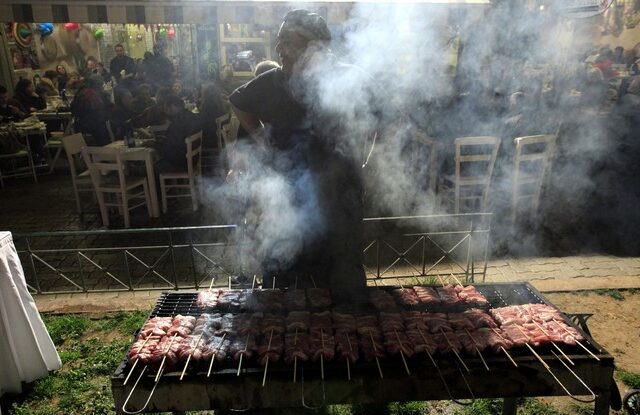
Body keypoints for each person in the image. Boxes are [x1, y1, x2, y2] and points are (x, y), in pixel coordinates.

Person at [229, 9, 374, 300]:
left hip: (338, 196)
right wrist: (262, 139)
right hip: (286, 198)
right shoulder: (272, 82)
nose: (279, 49)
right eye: (279, 40)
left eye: (288, 41)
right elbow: (238, 102)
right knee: (283, 285)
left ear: (315, 45)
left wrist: (363, 165)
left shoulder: (349, 77)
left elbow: (374, 125)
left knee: (343, 280)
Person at [153, 94, 202, 173]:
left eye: (166, 108)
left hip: (181, 163)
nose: (165, 112)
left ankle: (166, 185)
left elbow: (170, 151)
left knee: (151, 168)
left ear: (172, 106)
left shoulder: (178, 122)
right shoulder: (191, 116)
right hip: (194, 159)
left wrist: (154, 145)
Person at [70, 74, 112, 146]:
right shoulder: (91, 94)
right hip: (92, 127)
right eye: (101, 84)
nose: (102, 86)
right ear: (98, 84)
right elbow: (99, 112)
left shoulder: (81, 91)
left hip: (80, 125)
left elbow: (73, 109)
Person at [198, 83, 228, 148]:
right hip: (220, 134)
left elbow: (203, 120)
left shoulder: (208, 103)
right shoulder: (220, 102)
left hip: (210, 138)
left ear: (206, 93)